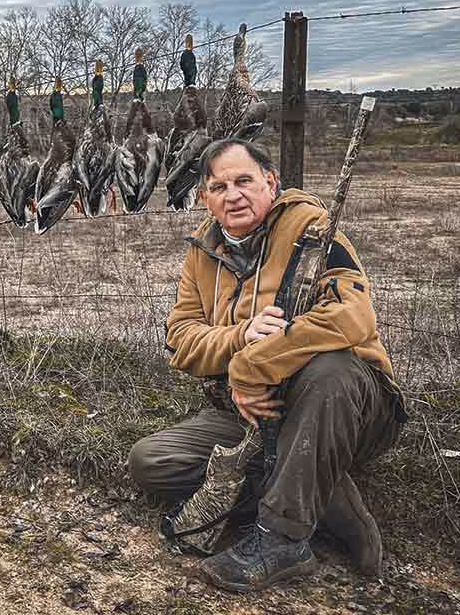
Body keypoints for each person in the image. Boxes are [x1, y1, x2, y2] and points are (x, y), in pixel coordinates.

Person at [128, 138, 407, 592]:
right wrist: (240, 337)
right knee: (152, 461)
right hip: (250, 412)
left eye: (244, 181)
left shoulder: (316, 230)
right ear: (204, 197)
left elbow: (352, 317)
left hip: (346, 409)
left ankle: (283, 540)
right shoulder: (202, 251)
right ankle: (320, 495)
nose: (232, 194)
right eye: (218, 186)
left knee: (330, 371)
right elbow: (179, 339)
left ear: (270, 182)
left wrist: (252, 364)